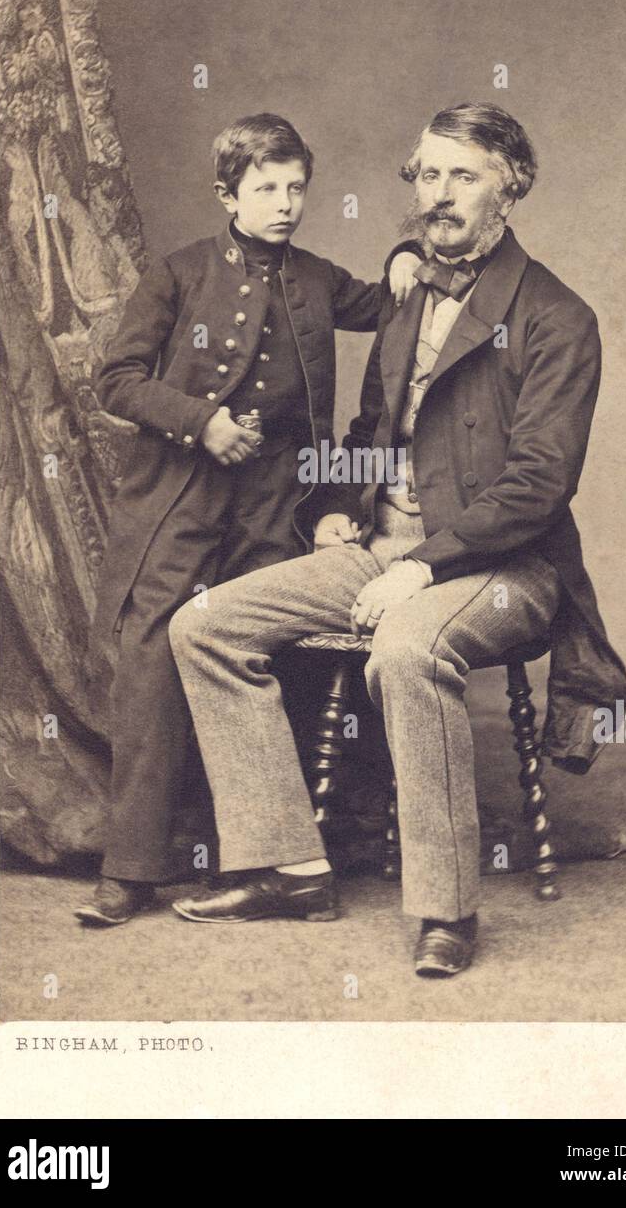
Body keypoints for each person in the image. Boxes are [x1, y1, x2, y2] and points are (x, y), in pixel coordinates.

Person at [167, 102, 626, 977]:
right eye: (426, 174)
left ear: (510, 186)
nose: (440, 193)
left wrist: (419, 565)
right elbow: (371, 428)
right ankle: (290, 866)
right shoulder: (403, 299)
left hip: (504, 569)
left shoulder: (555, 316)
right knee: (204, 626)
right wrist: (340, 507)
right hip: (380, 547)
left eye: (463, 174)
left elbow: (538, 484)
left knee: (405, 654)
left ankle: (446, 910)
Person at [75, 113, 420, 925]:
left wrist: (403, 255)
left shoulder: (316, 278)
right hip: (180, 498)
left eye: (297, 187)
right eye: (266, 188)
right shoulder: (179, 273)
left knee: (270, 659)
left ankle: (277, 862)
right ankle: (130, 873)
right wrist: (200, 420)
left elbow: (385, 306)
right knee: (155, 659)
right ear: (228, 193)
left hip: (278, 506)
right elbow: (115, 379)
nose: (285, 204)